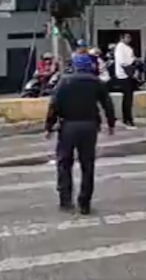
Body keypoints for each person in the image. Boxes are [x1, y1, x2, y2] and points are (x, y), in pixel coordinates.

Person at [44, 61, 116, 215]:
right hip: (89, 127)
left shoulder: (64, 81)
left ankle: (65, 199)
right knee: (87, 165)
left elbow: (54, 105)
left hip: (68, 127)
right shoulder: (95, 82)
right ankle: (84, 202)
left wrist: (49, 127)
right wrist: (111, 123)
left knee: (64, 163)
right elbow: (107, 104)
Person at [112, 33, 138, 129]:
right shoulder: (120, 47)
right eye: (127, 37)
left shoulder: (126, 47)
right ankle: (127, 119)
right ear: (122, 38)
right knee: (127, 98)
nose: (129, 39)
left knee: (129, 98)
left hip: (128, 74)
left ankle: (127, 118)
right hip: (124, 74)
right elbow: (123, 61)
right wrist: (131, 63)